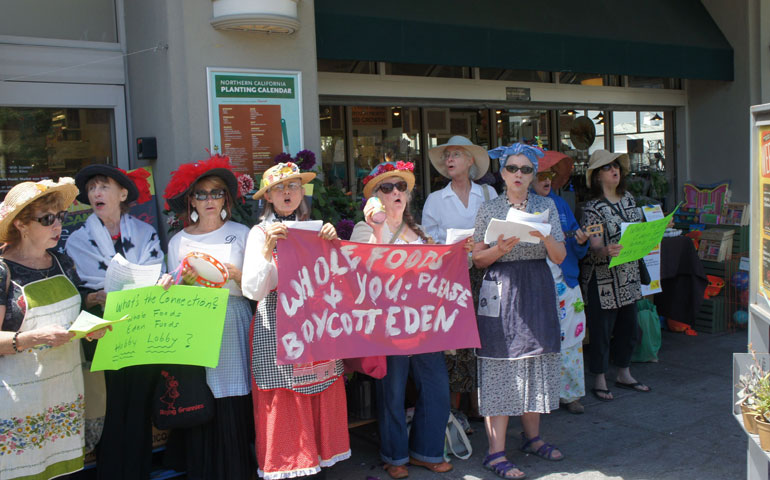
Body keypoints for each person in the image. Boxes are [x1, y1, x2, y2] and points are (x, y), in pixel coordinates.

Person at [241, 162, 348, 480]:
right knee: (285, 406)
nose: (287, 193)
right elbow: (253, 289)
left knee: (318, 405)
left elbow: (339, 283)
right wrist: (268, 249)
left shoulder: (318, 229)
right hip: (276, 331)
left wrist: (333, 244)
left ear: (302, 192)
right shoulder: (259, 232)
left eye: (293, 186)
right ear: (268, 198)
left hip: (315, 334)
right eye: (279, 188)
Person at [0, 178, 109, 480]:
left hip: (64, 397)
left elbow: (71, 318)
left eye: (59, 217)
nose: (57, 225)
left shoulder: (63, 262)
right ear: (20, 224)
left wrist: (88, 328)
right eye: (47, 219)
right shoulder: (2, 270)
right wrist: (36, 338)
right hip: (18, 403)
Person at [350, 160, 453, 480]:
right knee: (391, 393)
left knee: (436, 389)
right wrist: (379, 226)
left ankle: (427, 451)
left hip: (422, 324)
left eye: (401, 187)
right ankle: (394, 455)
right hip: (388, 325)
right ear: (375, 197)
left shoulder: (418, 231)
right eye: (387, 187)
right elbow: (367, 270)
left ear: (408, 195)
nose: (395, 191)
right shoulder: (364, 229)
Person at [473, 143, 566, 480]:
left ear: (533, 174)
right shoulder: (490, 208)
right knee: (499, 362)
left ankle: (533, 437)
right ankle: (495, 453)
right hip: (501, 286)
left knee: (535, 359)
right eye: (513, 168)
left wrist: (544, 235)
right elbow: (478, 259)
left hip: (536, 286)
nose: (519, 175)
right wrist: (498, 248)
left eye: (526, 170)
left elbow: (559, 256)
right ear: (502, 172)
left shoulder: (546, 206)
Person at [65, 164, 164, 479]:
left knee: (139, 409)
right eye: (92, 188)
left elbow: (158, 273)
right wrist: (94, 297)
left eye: (103, 186)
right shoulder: (76, 241)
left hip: (141, 330)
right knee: (109, 411)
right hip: (101, 334)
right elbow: (75, 291)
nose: (96, 193)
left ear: (122, 194)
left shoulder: (146, 233)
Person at [160, 154, 254, 479]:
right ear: (191, 201)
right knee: (201, 399)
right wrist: (177, 285)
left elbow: (259, 287)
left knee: (234, 401)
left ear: (226, 198)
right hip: (196, 326)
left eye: (216, 193)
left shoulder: (243, 233)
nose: (209, 200)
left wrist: (239, 275)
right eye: (201, 194)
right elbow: (172, 292)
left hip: (233, 321)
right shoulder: (178, 241)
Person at [422, 135, 496, 423]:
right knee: (454, 341)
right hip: (450, 278)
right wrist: (451, 246)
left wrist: (480, 244)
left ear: (470, 161)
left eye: (455, 155)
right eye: (447, 156)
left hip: (485, 273)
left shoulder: (488, 194)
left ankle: (480, 402)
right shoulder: (436, 199)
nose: (449, 160)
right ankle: (452, 409)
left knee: (484, 337)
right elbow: (428, 240)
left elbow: (496, 231)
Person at [580, 149, 651, 402]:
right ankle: (599, 378)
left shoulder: (629, 198)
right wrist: (604, 250)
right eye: (608, 167)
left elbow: (639, 228)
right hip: (603, 280)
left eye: (617, 166)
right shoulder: (592, 208)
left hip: (629, 274)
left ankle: (624, 372)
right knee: (601, 330)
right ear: (597, 176)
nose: (615, 171)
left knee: (628, 327)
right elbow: (595, 245)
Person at [531, 151, 589, 414]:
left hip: (565, 281)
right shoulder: (521, 207)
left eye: (550, 175)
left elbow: (577, 248)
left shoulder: (561, 205)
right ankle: (540, 396)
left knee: (572, 341)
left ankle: (570, 394)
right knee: (537, 342)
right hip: (535, 283)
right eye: (541, 175)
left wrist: (581, 241)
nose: (547, 180)